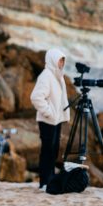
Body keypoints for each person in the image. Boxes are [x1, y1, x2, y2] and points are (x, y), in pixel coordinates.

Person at [30, 48, 70, 191]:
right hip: (47, 120)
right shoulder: (46, 76)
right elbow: (36, 97)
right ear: (53, 59)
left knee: (54, 151)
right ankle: (44, 182)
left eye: (63, 60)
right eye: (60, 59)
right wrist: (49, 113)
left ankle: (51, 180)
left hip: (56, 120)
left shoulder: (58, 75)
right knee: (47, 151)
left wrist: (62, 114)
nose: (61, 63)